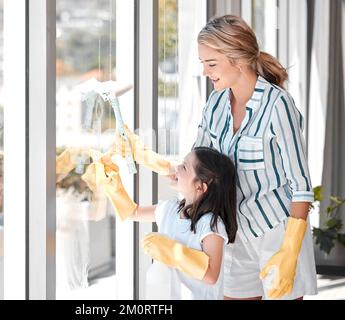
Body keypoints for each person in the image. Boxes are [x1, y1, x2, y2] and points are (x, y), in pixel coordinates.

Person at [192, 15, 317, 300]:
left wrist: (290, 250)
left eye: (211, 64)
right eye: (203, 63)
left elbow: (300, 186)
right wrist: (143, 157)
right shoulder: (215, 105)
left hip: (276, 233)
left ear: (237, 59)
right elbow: (197, 167)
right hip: (233, 233)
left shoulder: (277, 105)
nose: (204, 72)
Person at [85, 146, 237, 299]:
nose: (176, 167)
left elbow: (211, 275)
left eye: (184, 167)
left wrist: (173, 251)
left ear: (200, 186)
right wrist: (112, 184)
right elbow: (133, 212)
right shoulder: (170, 209)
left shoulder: (211, 224)